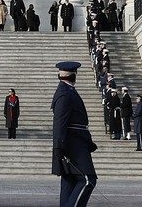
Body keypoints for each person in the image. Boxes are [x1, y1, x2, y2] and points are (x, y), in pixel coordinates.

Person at [52, 61, 96, 207]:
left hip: (76, 142)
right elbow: (59, 122)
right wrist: (58, 146)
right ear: (74, 75)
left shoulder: (68, 91)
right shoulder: (65, 94)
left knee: (69, 181)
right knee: (87, 180)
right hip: (73, 144)